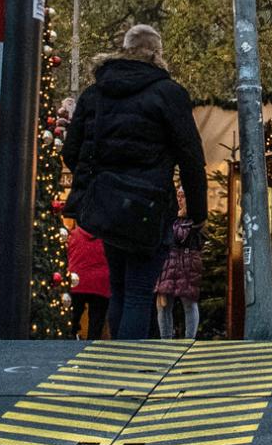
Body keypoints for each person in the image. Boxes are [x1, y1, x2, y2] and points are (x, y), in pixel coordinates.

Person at [63, 25, 208, 340]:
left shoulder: (94, 93)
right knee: (140, 290)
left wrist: (97, 186)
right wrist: (197, 212)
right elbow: (191, 158)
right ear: (157, 53)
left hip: (106, 207)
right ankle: (128, 363)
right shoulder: (168, 94)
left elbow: (71, 151)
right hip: (149, 206)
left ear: (124, 49)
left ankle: (116, 357)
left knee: (118, 286)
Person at [155, 216, 203, 339]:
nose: (180, 200)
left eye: (182, 196)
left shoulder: (195, 218)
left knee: (189, 301)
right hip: (168, 262)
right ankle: (165, 340)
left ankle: (189, 340)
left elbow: (181, 235)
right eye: (178, 196)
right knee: (163, 303)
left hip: (186, 263)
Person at [66, 224, 111, 339]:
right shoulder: (107, 237)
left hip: (77, 282)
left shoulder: (73, 234)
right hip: (100, 284)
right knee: (96, 323)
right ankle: (91, 348)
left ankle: (71, 339)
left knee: (72, 319)